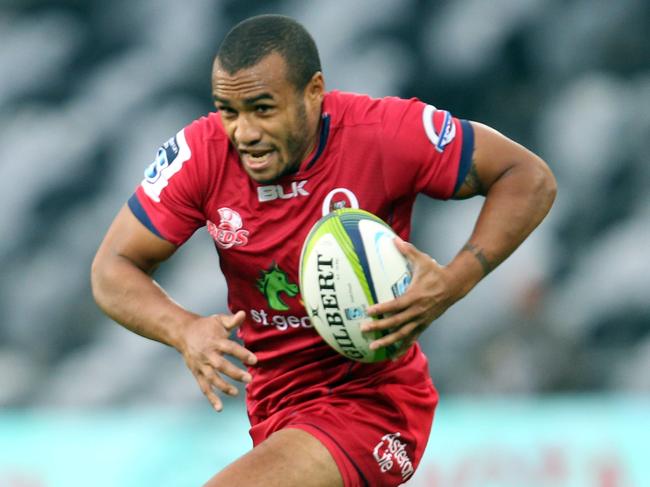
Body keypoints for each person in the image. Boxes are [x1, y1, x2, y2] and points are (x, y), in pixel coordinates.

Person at [91, 14, 556, 487]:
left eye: (262, 109)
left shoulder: (386, 132)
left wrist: (453, 282)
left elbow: (528, 177)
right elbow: (112, 266)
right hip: (276, 408)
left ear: (314, 92)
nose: (244, 132)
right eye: (229, 111)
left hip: (372, 403)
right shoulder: (202, 153)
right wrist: (184, 329)